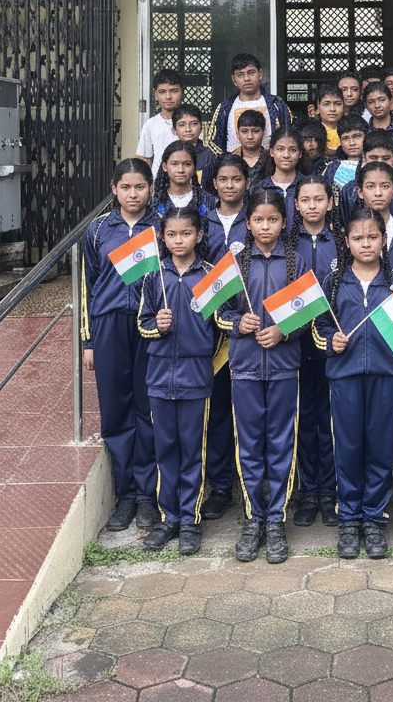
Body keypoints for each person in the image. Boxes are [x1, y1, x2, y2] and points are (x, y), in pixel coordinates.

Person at [314, 206, 393, 559]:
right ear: (346, 242)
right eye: (358, 238)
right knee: (348, 449)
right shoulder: (333, 282)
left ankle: (374, 518)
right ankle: (349, 518)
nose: (365, 244)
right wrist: (330, 341)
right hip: (344, 379)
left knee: (379, 449)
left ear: (383, 240)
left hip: (386, 379)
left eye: (372, 237)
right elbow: (319, 327)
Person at [215, 188, 308, 563]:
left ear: (284, 222)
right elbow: (218, 312)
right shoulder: (235, 262)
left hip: (284, 368)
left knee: (282, 444)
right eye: (258, 220)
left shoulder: (297, 261)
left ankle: (276, 519)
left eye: (272, 219)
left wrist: (284, 331)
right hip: (245, 369)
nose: (265, 226)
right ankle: (254, 518)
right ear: (248, 223)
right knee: (250, 444)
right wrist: (239, 323)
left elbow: (309, 314)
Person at [137, 206, 224, 554]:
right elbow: (142, 324)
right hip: (159, 377)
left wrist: (205, 359)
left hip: (195, 377)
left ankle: (190, 519)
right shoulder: (153, 276)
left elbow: (222, 328)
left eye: (186, 233)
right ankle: (168, 517)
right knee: (165, 449)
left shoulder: (210, 276)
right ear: (162, 237)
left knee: (192, 450)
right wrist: (156, 326)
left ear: (199, 236)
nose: (178, 240)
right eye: (171, 234)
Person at [81, 159, 161, 532]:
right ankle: (125, 495)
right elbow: (89, 286)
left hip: (149, 325)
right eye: (126, 187)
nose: (133, 194)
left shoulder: (162, 227)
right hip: (108, 325)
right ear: (114, 189)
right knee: (115, 412)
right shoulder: (98, 230)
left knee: (148, 408)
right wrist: (89, 341)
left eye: (140, 187)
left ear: (151, 189)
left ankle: (147, 496)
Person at [198, 154, 250, 522]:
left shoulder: (258, 217)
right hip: (212, 332)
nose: (229, 185)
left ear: (247, 182)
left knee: (250, 414)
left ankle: (254, 485)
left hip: (252, 326)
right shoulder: (202, 222)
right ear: (213, 183)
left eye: (236, 179)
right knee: (217, 412)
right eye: (223, 179)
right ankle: (219, 486)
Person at [289, 174, 340, 528]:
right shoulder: (287, 245)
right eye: (305, 200)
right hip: (297, 345)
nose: (312, 206)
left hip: (335, 346)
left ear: (330, 203)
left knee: (331, 419)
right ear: (296, 205)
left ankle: (331, 491)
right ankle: (309, 491)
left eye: (318, 199)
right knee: (305, 419)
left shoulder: (341, 242)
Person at [213, 52, 291, 154]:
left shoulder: (276, 105)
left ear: (260, 74)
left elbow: (289, 138)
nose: (247, 79)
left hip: (269, 163)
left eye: (251, 73)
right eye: (240, 75)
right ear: (234, 80)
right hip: (233, 163)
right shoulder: (225, 108)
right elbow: (217, 145)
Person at [339, 131, 393, 227]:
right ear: (364, 157)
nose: (380, 163)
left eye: (385, 158)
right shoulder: (350, 190)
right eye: (373, 158)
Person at [253, 125, 309, 229]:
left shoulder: (308, 187)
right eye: (280, 149)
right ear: (271, 152)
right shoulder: (260, 189)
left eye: (292, 150)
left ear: (300, 153)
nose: (286, 155)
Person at [152, 141, 216, 225]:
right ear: (165, 166)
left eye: (187, 164)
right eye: (174, 164)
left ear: (195, 167)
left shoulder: (208, 200)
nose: (180, 170)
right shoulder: (155, 202)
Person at [136, 69, 184, 180]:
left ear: (182, 91)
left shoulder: (191, 123)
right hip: (158, 184)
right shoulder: (151, 125)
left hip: (187, 183)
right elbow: (144, 160)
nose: (168, 97)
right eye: (162, 92)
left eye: (173, 91)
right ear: (155, 94)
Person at [171, 104, 218, 194]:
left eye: (193, 124)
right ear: (174, 130)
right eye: (182, 125)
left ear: (201, 127)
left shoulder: (209, 156)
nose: (188, 129)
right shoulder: (171, 155)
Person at [325, 114, 368, 189]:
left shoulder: (375, 164)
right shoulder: (333, 169)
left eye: (357, 136)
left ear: (366, 137)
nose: (352, 143)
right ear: (340, 141)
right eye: (345, 138)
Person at [234, 108, 266, 184]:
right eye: (244, 131)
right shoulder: (231, 160)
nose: (250, 136)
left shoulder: (271, 161)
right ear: (238, 134)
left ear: (263, 133)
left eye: (255, 131)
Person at [315, 84, 345, 155]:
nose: (332, 109)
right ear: (318, 107)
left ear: (344, 107)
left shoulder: (348, 131)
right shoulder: (314, 133)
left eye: (337, 104)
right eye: (326, 104)